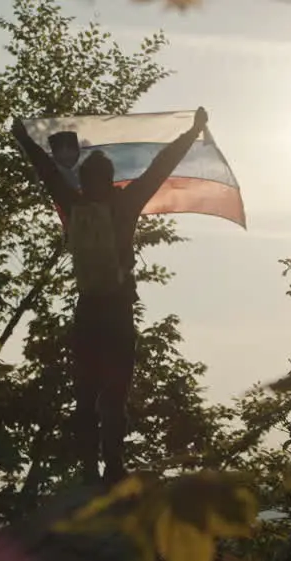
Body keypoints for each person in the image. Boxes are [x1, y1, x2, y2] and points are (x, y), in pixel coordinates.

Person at [12, 107, 209, 485]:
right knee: (114, 396)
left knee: (85, 397)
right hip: (118, 311)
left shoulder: (73, 204)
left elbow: (47, 170)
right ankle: (113, 467)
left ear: (85, 181)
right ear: (111, 179)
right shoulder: (125, 204)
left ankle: (88, 469)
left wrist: (23, 139)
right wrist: (192, 131)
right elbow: (161, 167)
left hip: (87, 310)